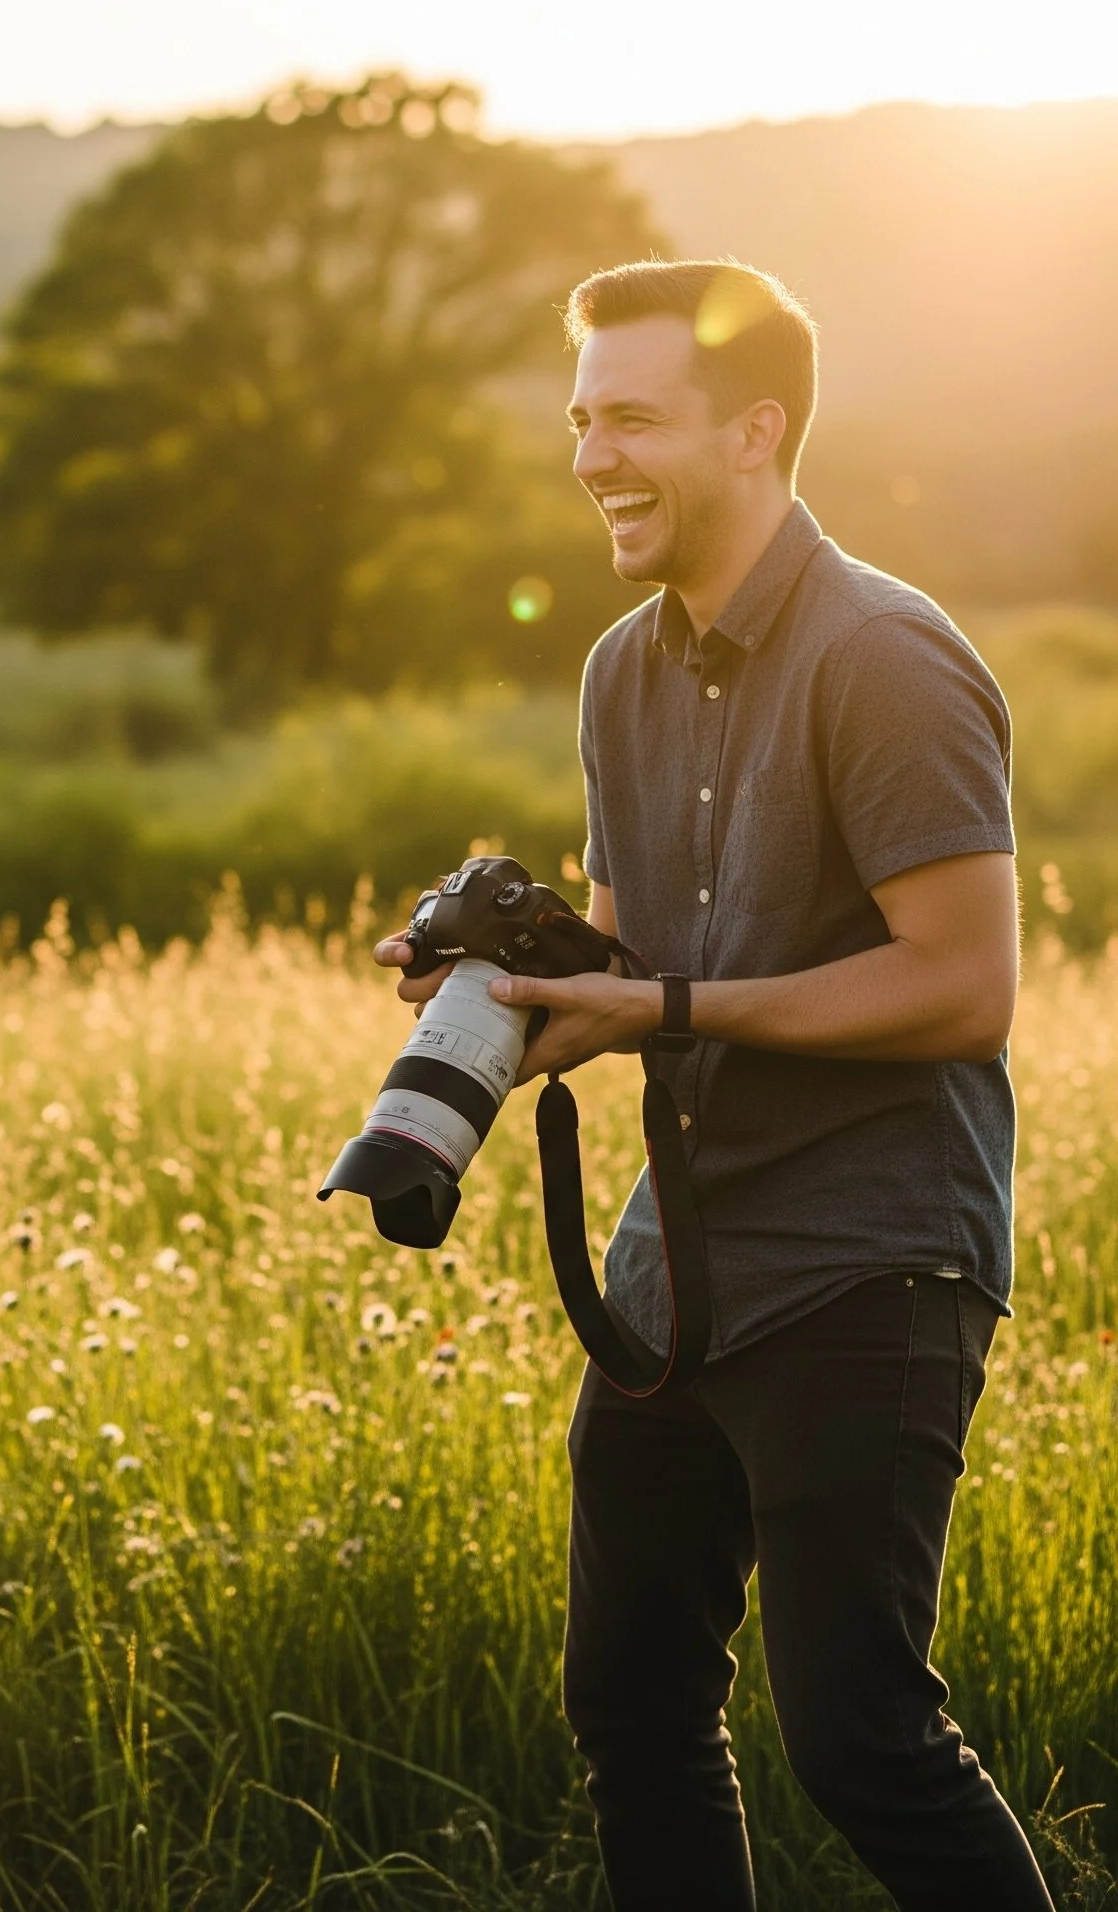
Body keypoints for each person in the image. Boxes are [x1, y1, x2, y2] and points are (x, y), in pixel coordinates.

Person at [380, 260, 1050, 1910]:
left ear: (756, 431)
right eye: (583, 417)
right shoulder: (622, 664)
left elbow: (967, 986)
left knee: (860, 1735)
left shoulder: (888, 657)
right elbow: (631, 941)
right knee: (631, 1701)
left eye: (634, 419)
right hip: (676, 1266)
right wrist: (510, 978)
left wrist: (658, 1002)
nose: (594, 454)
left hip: (867, 1259)